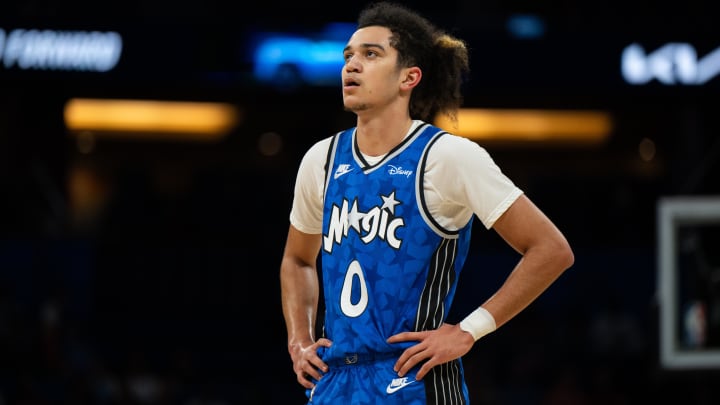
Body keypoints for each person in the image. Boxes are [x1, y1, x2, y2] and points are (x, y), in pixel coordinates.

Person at [279, 2, 575, 404]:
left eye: (371, 54)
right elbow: (298, 260)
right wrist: (299, 340)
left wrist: (469, 330)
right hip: (336, 382)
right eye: (348, 55)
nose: (351, 65)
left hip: (414, 380)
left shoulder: (448, 157)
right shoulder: (321, 160)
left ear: (409, 77)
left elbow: (551, 249)